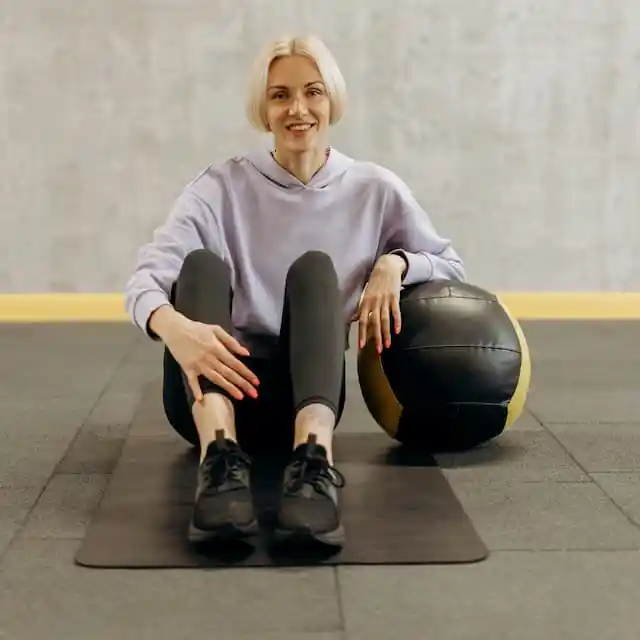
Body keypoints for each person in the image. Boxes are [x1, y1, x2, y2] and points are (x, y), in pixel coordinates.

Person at [124, 34, 465, 548]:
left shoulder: (375, 189)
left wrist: (394, 263)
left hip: (307, 395)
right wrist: (175, 329)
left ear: (332, 100)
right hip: (213, 393)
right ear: (264, 108)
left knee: (314, 272)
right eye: (280, 95)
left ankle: (313, 465)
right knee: (198, 267)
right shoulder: (220, 187)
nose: (298, 109)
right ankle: (219, 461)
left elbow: (451, 267)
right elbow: (144, 278)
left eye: (312, 92)